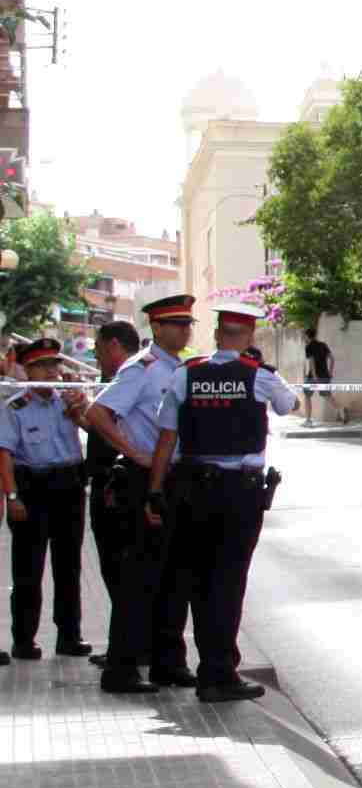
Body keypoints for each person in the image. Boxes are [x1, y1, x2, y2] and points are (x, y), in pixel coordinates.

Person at [145, 301, 294, 703]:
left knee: (194, 579)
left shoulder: (184, 375)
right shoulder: (258, 376)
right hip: (238, 492)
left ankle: (206, 664)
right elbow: (288, 405)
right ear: (248, 337)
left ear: (215, 334)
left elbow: (166, 438)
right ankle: (218, 672)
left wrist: (155, 490)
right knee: (228, 580)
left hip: (190, 489)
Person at [81, 291, 199, 694]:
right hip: (144, 478)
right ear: (157, 327)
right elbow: (98, 413)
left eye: (188, 324)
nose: (184, 331)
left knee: (175, 577)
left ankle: (169, 662)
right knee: (141, 579)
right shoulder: (141, 368)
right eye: (177, 324)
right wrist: (135, 452)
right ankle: (122, 668)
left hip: (176, 477)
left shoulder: (180, 369)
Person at [2, 338, 91, 661]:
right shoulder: (15, 406)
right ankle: (24, 638)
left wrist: (79, 409)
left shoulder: (66, 401)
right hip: (33, 488)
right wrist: (12, 496)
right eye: (44, 365)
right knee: (28, 568)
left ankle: (70, 635)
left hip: (68, 486)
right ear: (29, 370)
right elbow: (5, 454)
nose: (53, 371)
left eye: (55, 364)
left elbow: (92, 427)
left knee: (68, 565)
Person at [74, 320, 141, 666]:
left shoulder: (131, 378)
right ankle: (125, 645)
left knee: (123, 568)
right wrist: (84, 419)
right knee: (113, 569)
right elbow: (107, 432)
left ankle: (131, 648)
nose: (97, 357)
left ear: (115, 346)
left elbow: (121, 433)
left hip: (121, 486)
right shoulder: (116, 380)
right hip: (107, 482)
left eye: (99, 350)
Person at [302, 329, 339, 424]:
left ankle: (308, 420)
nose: (304, 338)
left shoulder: (308, 346)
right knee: (327, 395)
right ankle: (341, 410)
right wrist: (330, 372)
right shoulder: (323, 345)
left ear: (307, 336)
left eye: (304, 336)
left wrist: (314, 376)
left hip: (313, 377)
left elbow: (311, 361)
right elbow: (332, 358)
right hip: (325, 375)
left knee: (307, 396)